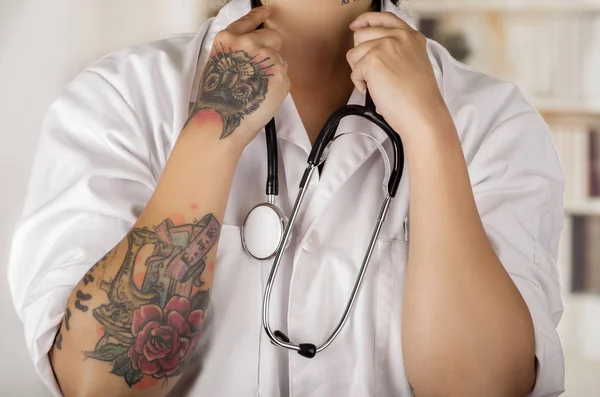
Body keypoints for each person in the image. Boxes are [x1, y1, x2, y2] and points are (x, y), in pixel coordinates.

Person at [8, 0, 565, 396]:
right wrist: (212, 131)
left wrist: (429, 130)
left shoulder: (492, 123)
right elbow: (97, 384)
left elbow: (482, 387)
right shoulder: (119, 99)